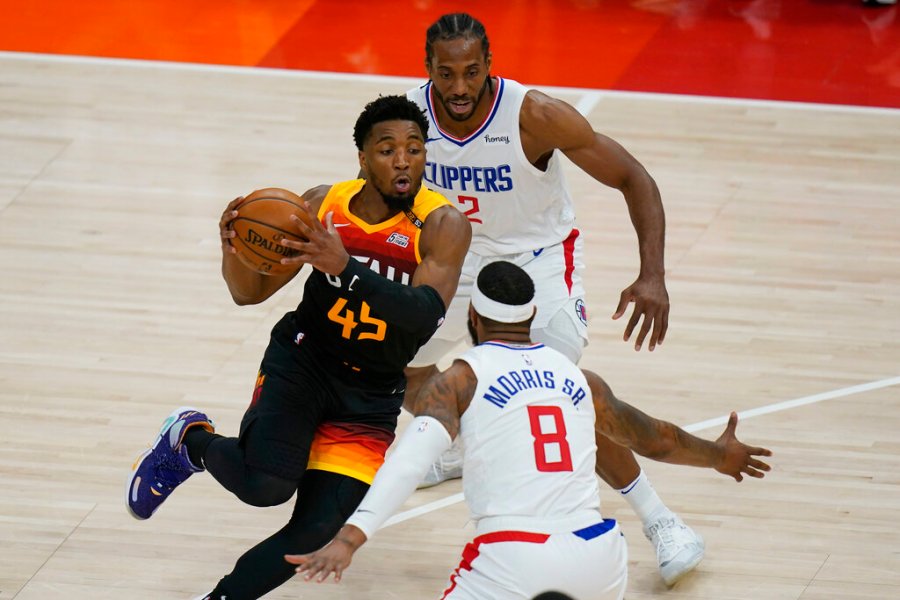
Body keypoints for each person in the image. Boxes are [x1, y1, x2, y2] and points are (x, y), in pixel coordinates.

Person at [125, 95, 472, 600]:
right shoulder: (320, 206)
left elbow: (422, 318)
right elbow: (249, 294)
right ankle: (190, 440)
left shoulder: (442, 225)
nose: (403, 161)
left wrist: (344, 268)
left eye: (415, 149)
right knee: (265, 486)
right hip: (304, 363)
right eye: (388, 149)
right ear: (362, 158)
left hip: (372, 391)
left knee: (315, 531)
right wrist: (236, 251)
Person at [401, 12, 702, 585]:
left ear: (490, 65)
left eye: (471, 72)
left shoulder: (534, 116)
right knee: (401, 364)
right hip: (452, 259)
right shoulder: (406, 119)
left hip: (535, 263)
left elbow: (634, 178)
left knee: (563, 403)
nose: (460, 88)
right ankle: (460, 445)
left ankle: (660, 519)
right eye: (446, 74)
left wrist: (653, 276)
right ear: (428, 70)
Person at [286, 261, 772, 599]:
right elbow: (657, 439)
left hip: (513, 560)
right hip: (600, 560)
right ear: (533, 316)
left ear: (473, 317)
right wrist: (717, 455)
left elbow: (410, 462)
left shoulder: (458, 380)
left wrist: (348, 539)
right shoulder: (583, 381)